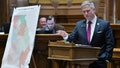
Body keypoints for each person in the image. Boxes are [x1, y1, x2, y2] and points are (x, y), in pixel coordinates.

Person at [57, 1, 114, 68]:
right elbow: (72, 38)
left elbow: (110, 43)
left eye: (88, 11)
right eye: (84, 12)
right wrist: (65, 36)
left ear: (94, 10)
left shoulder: (104, 24)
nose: (86, 14)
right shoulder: (79, 25)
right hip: (83, 61)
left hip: (99, 61)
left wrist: (106, 58)